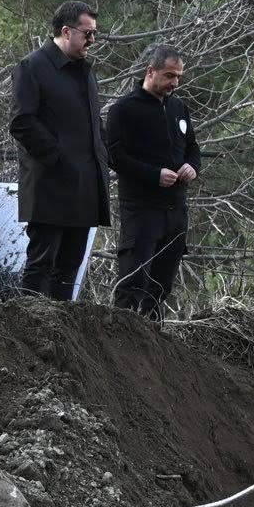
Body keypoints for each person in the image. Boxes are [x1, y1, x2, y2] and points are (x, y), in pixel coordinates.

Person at [10, 0, 109, 300]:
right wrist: (58, 156)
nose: (92, 41)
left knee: (69, 268)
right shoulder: (32, 66)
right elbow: (22, 121)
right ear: (66, 31)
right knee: (41, 264)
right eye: (87, 34)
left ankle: (61, 334)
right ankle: (30, 327)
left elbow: (93, 123)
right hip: (50, 185)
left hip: (83, 187)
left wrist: (103, 157)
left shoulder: (84, 71)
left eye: (94, 34)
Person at [103, 45, 201, 317]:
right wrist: (153, 175)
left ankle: (154, 336)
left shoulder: (179, 108)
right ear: (151, 71)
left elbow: (192, 147)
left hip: (176, 210)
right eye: (170, 76)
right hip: (141, 208)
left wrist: (192, 167)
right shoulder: (124, 110)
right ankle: (121, 335)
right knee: (134, 279)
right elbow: (115, 156)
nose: (175, 83)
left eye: (179, 76)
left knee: (161, 284)